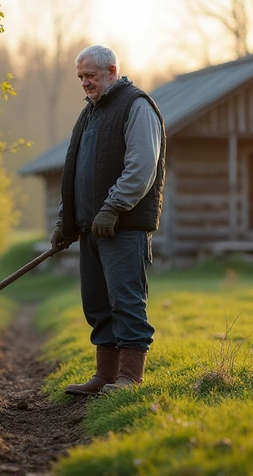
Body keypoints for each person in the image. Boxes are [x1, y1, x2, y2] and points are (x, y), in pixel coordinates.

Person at [50, 45, 166, 395]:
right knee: (98, 304)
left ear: (112, 72)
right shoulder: (89, 114)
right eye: (81, 77)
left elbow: (142, 167)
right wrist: (65, 223)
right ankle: (105, 375)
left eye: (91, 76)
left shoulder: (136, 106)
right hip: (91, 227)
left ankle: (129, 378)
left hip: (123, 226)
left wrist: (114, 207)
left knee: (126, 301)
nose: (85, 82)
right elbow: (75, 174)